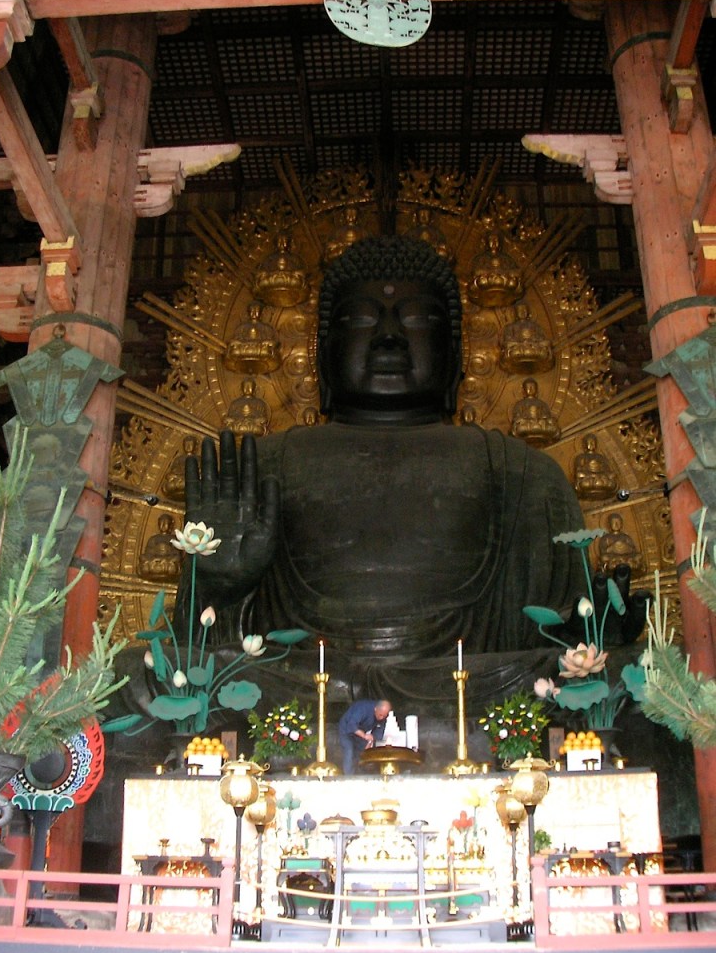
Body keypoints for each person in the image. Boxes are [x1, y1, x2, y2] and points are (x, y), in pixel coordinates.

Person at [175, 236, 586, 705]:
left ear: (455, 354)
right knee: (151, 673)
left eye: (418, 320)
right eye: (359, 320)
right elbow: (199, 648)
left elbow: (562, 638)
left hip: (479, 692)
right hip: (298, 694)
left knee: (588, 677)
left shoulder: (526, 475)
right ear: (321, 355)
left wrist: (604, 630)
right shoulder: (261, 467)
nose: (388, 336)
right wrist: (216, 587)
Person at [338, 699, 391, 775]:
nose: (382, 717)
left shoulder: (383, 717)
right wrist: (364, 736)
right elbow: (351, 725)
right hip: (346, 729)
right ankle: (348, 777)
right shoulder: (363, 708)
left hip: (361, 732)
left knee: (362, 752)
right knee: (349, 750)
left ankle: (360, 774)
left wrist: (370, 742)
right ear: (375, 709)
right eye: (380, 715)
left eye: (384, 716)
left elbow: (377, 733)